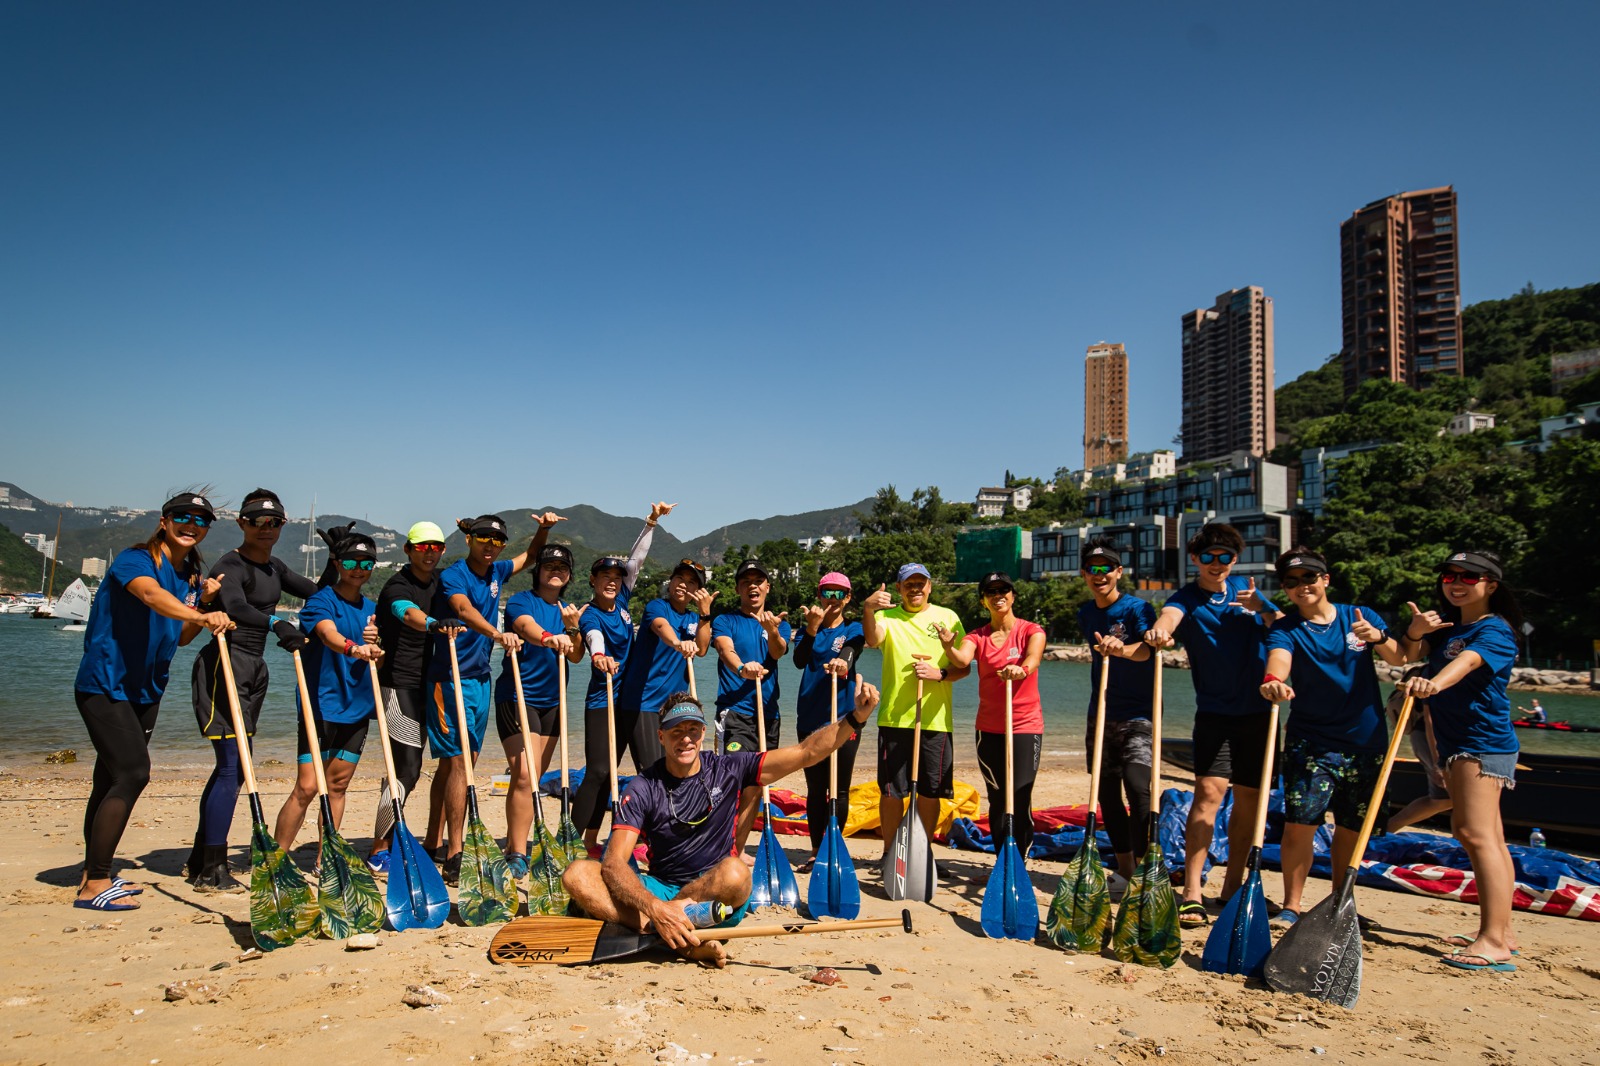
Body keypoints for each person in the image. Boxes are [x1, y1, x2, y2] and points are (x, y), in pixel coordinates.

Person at [562, 681, 881, 967]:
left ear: (703, 733)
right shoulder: (644, 786)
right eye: (676, 732)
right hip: (661, 889)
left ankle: (664, 928)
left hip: (716, 898)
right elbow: (615, 863)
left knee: (736, 873)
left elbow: (806, 752)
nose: (685, 739)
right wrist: (657, 908)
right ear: (661, 736)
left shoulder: (730, 767)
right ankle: (673, 935)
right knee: (578, 874)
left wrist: (855, 718)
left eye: (692, 730)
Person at [72, 492, 233, 911]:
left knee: (108, 780)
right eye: (182, 516)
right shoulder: (137, 559)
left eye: (200, 520)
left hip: (146, 690)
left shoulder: (188, 577)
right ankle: (95, 884)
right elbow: (147, 595)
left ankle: (93, 873)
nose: (191, 524)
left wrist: (204, 606)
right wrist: (199, 613)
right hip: (105, 684)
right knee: (134, 773)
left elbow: (179, 637)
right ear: (164, 521)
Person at [1259, 548, 1408, 925]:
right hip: (1311, 742)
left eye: (1309, 578)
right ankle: (1291, 907)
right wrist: (1273, 684)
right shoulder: (1286, 628)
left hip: (1366, 741)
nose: (1301, 586)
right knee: (1300, 825)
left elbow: (1398, 659)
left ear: (1325, 579)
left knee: (1351, 829)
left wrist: (1377, 637)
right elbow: (1278, 661)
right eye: (1291, 582)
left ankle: (1341, 906)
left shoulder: (1359, 616)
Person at [1142, 523, 1280, 927]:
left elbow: (1288, 630)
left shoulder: (1249, 594)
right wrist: (1160, 633)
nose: (1216, 564)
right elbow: (1169, 617)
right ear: (1195, 560)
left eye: (1224, 557)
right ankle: (1192, 892)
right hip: (1215, 716)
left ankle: (1234, 887)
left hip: (1260, 714)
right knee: (1207, 794)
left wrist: (1265, 610)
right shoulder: (1187, 597)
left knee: (1251, 804)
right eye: (1208, 557)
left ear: (1235, 560)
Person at [184, 488, 317, 893]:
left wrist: (343, 560)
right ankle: (212, 867)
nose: (266, 529)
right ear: (242, 523)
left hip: (253, 668)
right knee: (232, 766)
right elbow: (236, 606)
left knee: (234, 767)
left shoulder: (275, 566)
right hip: (225, 663)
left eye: (274, 522)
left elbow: (315, 591)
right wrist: (277, 624)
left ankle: (200, 858)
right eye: (258, 521)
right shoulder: (231, 563)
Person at [1400, 549, 1524, 971]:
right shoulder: (1457, 626)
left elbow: (1467, 664)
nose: (1456, 582)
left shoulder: (1495, 630)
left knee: (1473, 833)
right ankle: (1502, 932)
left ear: (1491, 584)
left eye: (1469, 577)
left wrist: (1432, 684)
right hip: (1461, 742)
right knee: (1490, 835)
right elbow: (1406, 653)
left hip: (1481, 744)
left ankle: (1492, 940)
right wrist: (1416, 631)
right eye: (1450, 575)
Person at [423, 512, 562, 884]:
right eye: (484, 539)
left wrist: (544, 529)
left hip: (481, 678)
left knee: (461, 762)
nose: (490, 546)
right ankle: (455, 853)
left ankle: (433, 841)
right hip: (449, 677)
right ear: (469, 539)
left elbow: (530, 556)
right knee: (458, 764)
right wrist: (497, 634)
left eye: (497, 541)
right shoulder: (454, 575)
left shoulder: (498, 572)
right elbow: (464, 610)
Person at [273, 534, 385, 859]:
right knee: (307, 787)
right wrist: (354, 647)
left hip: (358, 710)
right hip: (319, 708)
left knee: (337, 787)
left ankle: (328, 860)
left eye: (366, 564)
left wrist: (377, 647)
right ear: (337, 564)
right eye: (350, 562)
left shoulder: (373, 611)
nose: (358, 569)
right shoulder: (321, 601)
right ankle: (275, 861)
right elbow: (327, 633)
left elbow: (381, 657)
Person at [571, 503, 672, 852]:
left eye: (616, 578)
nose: (612, 582)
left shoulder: (624, 603)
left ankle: (614, 838)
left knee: (629, 772)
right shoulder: (590, 615)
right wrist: (599, 657)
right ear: (593, 582)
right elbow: (593, 640)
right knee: (599, 772)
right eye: (605, 578)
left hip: (630, 702)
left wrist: (652, 522)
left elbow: (637, 560)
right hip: (603, 702)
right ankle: (573, 838)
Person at [366, 521, 461, 873]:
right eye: (422, 547)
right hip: (398, 686)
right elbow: (407, 613)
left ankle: (432, 841)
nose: (430, 553)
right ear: (408, 549)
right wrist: (435, 624)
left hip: (432, 685)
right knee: (405, 767)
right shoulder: (396, 585)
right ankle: (380, 848)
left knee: (446, 764)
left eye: (436, 547)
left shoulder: (441, 583)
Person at [861, 563, 969, 872]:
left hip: (935, 721)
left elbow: (964, 666)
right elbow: (871, 640)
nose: (915, 588)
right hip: (895, 719)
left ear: (930, 587)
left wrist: (940, 674)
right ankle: (889, 854)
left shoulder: (948, 618)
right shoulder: (887, 617)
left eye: (921, 583)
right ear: (899, 588)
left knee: (930, 792)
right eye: (909, 584)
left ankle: (923, 854)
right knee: (892, 791)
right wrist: (868, 608)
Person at [939, 571, 1046, 860]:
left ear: (1012, 595)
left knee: (1020, 796)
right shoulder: (977, 635)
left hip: (1025, 726)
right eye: (991, 592)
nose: (998, 596)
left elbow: (1033, 658)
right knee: (998, 798)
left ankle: (1019, 860)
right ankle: (1002, 860)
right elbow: (962, 659)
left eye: (1003, 590)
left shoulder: (1031, 630)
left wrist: (1021, 669)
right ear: (983, 600)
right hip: (989, 729)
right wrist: (949, 644)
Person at [494, 544, 584, 876]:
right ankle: (516, 852)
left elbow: (575, 655)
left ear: (570, 574)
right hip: (518, 696)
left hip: (553, 701)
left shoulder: (570, 610)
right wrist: (549, 637)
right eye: (549, 566)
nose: (555, 571)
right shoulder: (521, 600)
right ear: (539, 570)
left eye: (562, 567)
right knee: (523, 774)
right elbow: (524, 626)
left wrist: (572, 628)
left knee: (534, 778)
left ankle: (525, 842)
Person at [1073, 539, 1156, 885]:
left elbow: (1148, 651)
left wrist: (1121, 649)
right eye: (1093, 569)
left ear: (1119, 572)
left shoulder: (1138, 609)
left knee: (1138, 788)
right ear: (1084, 575)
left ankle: (1145, 865)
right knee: (1105, 792)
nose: (1100, 575)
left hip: (1140, 714)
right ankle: (1124, 868)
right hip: (1102, 711)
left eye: (1107, 568)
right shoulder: (1086, 613)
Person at [712, 558, 792, 856]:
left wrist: (772, 630)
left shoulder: (779, 624)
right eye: (746, 582)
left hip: (768, 715)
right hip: (735, 713)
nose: (752, 586)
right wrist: (742, 668)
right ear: (738, 588)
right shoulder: (726, 619)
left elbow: (778, 651)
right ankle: (719, 846)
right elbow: (724, 648)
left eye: (758, 581)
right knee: (733, 782)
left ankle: (737, 848)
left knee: (757, 786)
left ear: (767, 587)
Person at [791, 572, 865, 869]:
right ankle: (815, 848)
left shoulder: (854, 627)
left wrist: (843, 662)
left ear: (847, 598)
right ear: (819, 595)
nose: (832, 599)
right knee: (815, 788)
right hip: (810, 718)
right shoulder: (810, 628)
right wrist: (810, 628)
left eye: (839, 594)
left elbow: (852, 649)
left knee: (840, 788)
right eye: (827, 592)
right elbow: (798, 661)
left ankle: (835, 843)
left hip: (844, 719)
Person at [1384, 669, 1450, 834]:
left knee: (1443, 800)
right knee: (1450, 798)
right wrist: (1438, 763)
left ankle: (1384, 829)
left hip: (1439, 738)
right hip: (1431, 739)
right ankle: (1385, 829)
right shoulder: (1435, 670)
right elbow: (1430, 719)